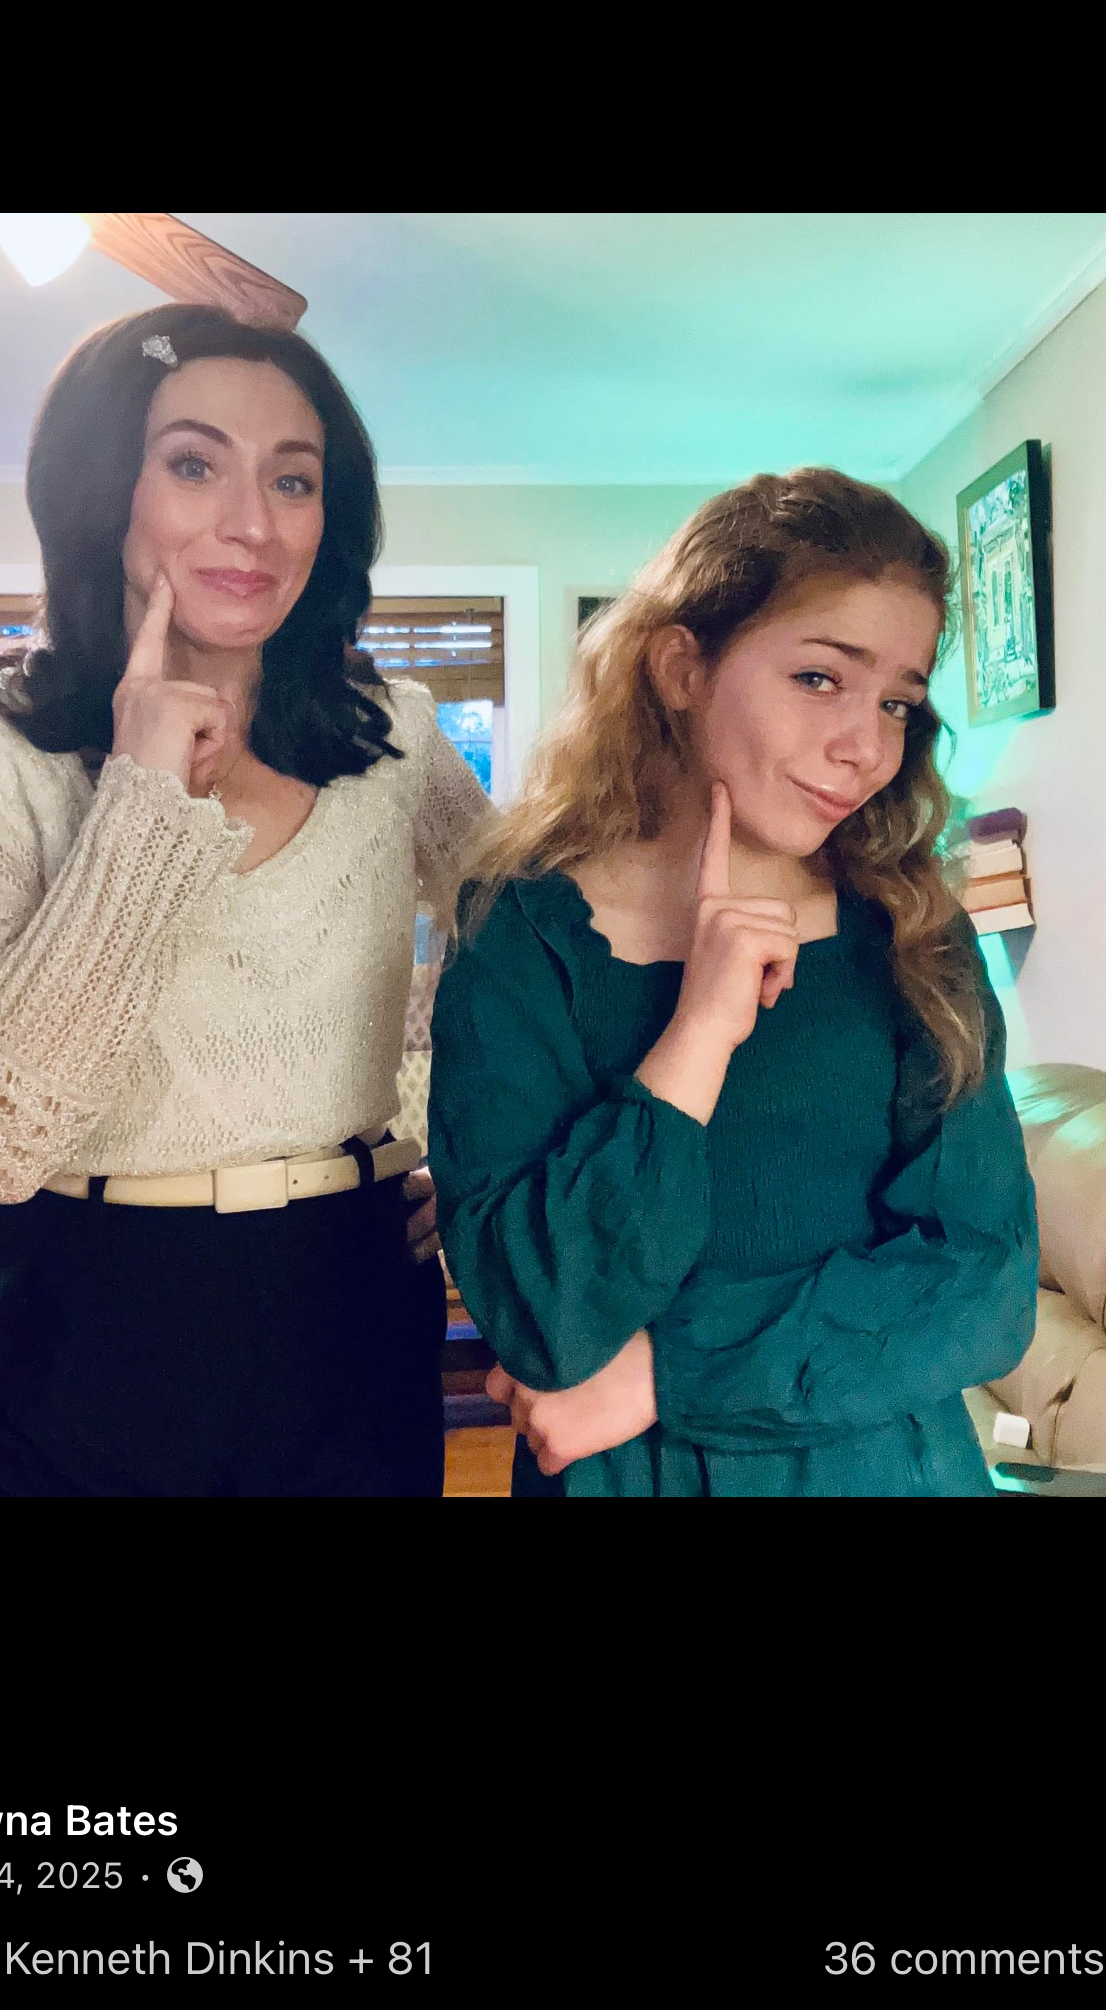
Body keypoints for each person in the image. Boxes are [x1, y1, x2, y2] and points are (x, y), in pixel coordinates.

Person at [0, 304, 490, 1497]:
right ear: (106, 486)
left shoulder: (393, 737)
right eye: (194, 465)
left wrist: (484, 1168)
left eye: (293, 480)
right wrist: (142, 806)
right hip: (89, 1311)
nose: (253, 523)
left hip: (355, 1296)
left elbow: (541, 953)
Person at [427, 466, 1041, 1497]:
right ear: (681, 666)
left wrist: (667, 1373)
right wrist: (699, 1035)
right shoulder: (522, 933)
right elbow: (542, 1315)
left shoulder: (915, 934)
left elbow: (986, 1289)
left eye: (897, 702)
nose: (865, 748)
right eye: (820, 678)